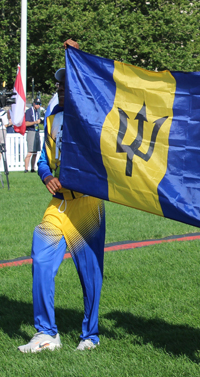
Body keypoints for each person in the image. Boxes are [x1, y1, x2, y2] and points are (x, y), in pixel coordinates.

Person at [18, 39, 106, 353]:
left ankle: (90, 335)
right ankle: (46, 334)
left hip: (87, 204)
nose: (62, 89)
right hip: (59, 204)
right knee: (41, 259)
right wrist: (46, 176)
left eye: (68, 85)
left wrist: (80, 55)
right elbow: (43, 159)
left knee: (90, 271)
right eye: (60, 85)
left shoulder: (95, 119)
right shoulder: (53, 119)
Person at [24, 98, 42, 172]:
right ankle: (26, 168)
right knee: (30, 152)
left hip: (37, 131)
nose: (38, 105)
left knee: (35, 151)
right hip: (31, 131)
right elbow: (26, 123)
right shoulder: (29, 111)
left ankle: (32, 168)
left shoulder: (38, 112)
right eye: (37, 104)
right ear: (34, 103)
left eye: (39, 104)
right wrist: (35, 122)